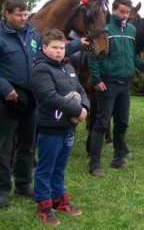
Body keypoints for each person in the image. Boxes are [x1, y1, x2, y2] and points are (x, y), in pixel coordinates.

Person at [0, 0, 87, 208]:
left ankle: (22, 183)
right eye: (18, 14)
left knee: (27, 144)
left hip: (30, 97)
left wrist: (78, 44)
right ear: (7, 14)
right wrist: (4, 87)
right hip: (7, 96)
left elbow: (52, 48)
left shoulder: (31, 33)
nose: (23, 18)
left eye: (25, 13)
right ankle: (2, 190)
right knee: (3, 145)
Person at [87, 0, 144, 177]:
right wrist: (96, 80)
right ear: (114, 10)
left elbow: (133, 58)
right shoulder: (104, 29)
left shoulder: (132, 30)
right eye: (122, 12)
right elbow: (92, 55)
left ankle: (118, 159)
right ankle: (94, 163)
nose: (125, 15)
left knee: (122, 122)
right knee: (102, 123)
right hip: (108, 83)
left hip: (124, 84)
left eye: (127, 12)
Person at [31, 29, 89, 226]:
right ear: (44, 47)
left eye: (62, 48)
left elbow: (80, 89)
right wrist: (77, 111)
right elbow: (49, 97)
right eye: (54, 48)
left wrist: (85, 108)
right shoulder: (41, 69)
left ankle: (58, 199)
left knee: (60, 166)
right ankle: (44, 206)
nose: (59, 52)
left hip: (68, 127)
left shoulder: (68, 68)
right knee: (45, 168)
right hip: (51, 127)